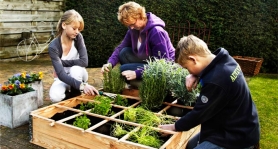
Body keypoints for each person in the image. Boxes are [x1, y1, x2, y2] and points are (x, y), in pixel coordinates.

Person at [159, 35, 260, 149]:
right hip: (237, 122)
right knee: (191, 145)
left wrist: (175, 126)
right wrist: (195, 74)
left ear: (193, 59)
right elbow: (210, 69)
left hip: (236, 135)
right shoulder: (226, 60)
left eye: (187, 68)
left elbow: (199, 114)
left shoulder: (216, 81)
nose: (187, 71)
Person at [101, 1, 175, 84]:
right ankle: (139, 81)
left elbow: (162, 64)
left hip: (163, 68)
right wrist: (110, 63)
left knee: (123, 69)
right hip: (148, 61)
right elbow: (121, 47)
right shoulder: (134, 30)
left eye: (132, 24)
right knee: (124, 52)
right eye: (129, 25)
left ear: (140, 16)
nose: (131, 28)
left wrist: (137, 73)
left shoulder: (156, 32)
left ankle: (150, 85)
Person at [48, 9, 99, 103]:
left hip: (79, 74)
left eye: (79, 29)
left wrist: (61, 63)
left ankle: (77, 97)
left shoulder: (78, 38)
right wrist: (82, 86)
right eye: (74, 28)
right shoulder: (53, 47)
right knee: (55, 96)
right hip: (63, 78)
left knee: (74, 69)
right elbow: (61, 75)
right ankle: (70, 95)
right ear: (64, 25)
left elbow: (84, 62)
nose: (77, 32)